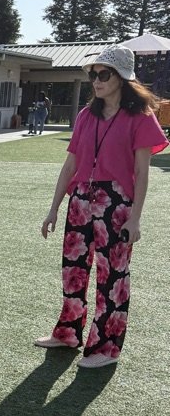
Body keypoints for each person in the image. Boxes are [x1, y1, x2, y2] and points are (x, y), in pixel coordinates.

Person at [36, 45, 167, 368]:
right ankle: (68, 333)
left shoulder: (140, 116)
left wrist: (135, 219)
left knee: (113, 277)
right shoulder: (86, 115)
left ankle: (106, 348)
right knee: (73, 271)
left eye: (103, 74)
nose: (96, 80)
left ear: (122, 78)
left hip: (117, 204)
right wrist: (54, 208)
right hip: (81, 198)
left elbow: (141, 172)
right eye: (93, 74)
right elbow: (70, 165)